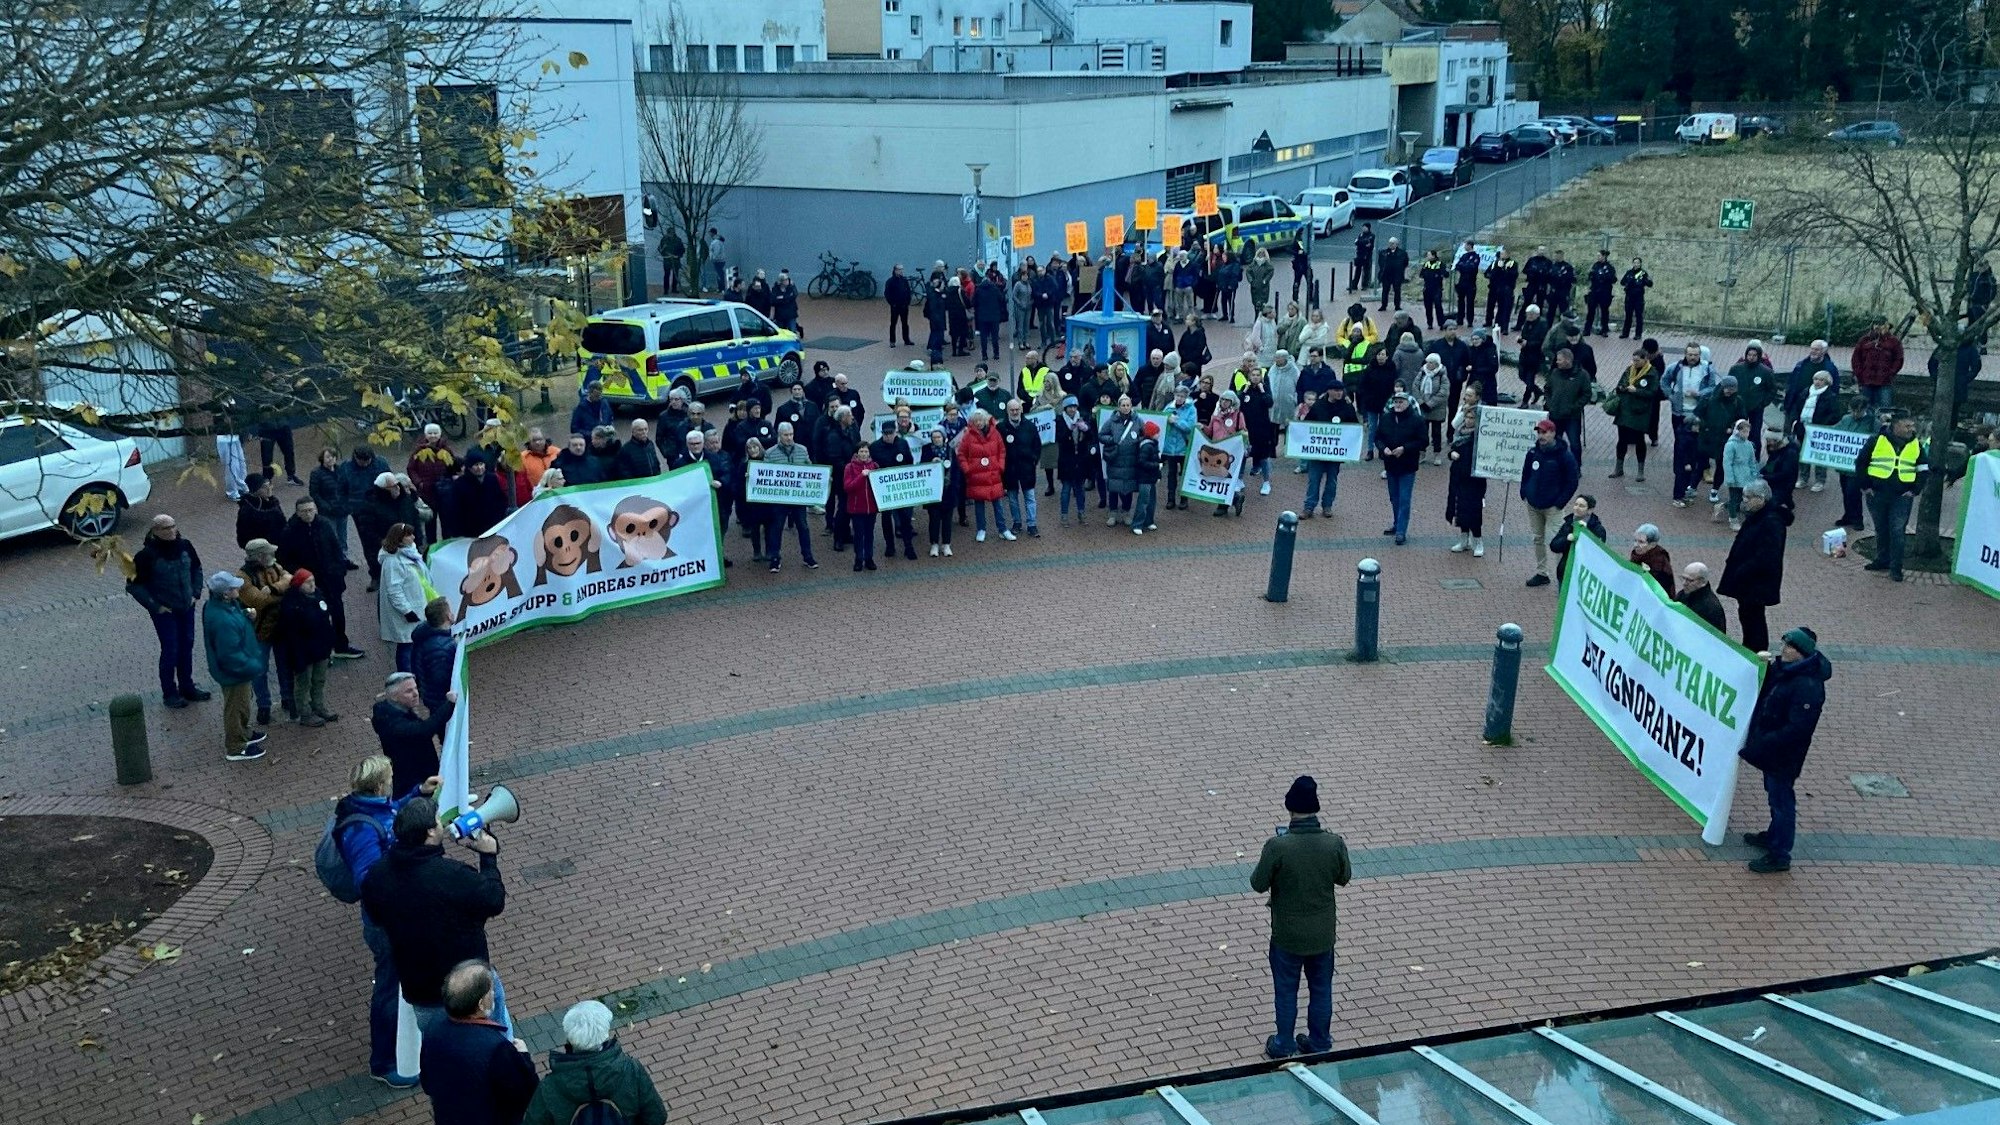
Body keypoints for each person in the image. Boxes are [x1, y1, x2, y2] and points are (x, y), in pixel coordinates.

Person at [360, 797, 509, 1038]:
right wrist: (488, 857)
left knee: (440, 1049)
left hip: (421, 990)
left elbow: (376, 918)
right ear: (430, 832)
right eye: (438, 821)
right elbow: (494, 900)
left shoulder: (377, 876)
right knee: (494, 1045)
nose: (442, 824)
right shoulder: (453, 875)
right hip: (470, 987)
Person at [332, 756, 439, 1087]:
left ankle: (401, 1049)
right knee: (390, 988)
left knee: (397, 983)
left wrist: (418, 793)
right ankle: (384, 1062)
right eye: (390, 777)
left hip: (394, 917)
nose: (393, 780)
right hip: (386, 923)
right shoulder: (360, 828)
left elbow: (392, 814)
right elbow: (369, 879)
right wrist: (402, 864)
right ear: (380, 784)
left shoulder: (369, 806)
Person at [1250, 775, 1351, 1059]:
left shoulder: (1278, 846)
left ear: (1290, 808)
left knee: (1286, 990)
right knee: (1321, 988)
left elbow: (1258, 883)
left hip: (1287, 935)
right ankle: (1319, 1040)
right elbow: (1344, 877)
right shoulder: (1333, 843)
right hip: (1322, 934)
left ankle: (1283, 1043)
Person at [1738, 628, 1832, 874]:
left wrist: (1765, 741)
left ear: (1801, 653)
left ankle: (1780, 853)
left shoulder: (1808, 686)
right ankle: (1773, 836)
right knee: (1774, 795)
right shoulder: (1788, 671)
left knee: (1782, 801)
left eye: (1789, 647)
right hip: (1773, 750)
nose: (1784, 649)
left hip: (1784, 754)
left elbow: (1798, 728)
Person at [523, 1000, 669, 1125]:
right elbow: (657, 1116)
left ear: (569, 1039)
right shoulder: (631, 1069)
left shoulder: (550, 1087)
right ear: (604, 1035)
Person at [279, 498, 363, 659]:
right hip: (309, 583)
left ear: (315, 509)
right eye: (304, 511)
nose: (308, 514)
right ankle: (322, 652)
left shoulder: (324, 525)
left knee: (338, 613)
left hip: (331, 580)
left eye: (311, 510)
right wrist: (301, 576)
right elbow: (285, 559)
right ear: (297, 513)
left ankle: (341, 645)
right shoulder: (290, 532)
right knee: (315, 618)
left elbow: (336, 549)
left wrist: (339, 571)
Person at [199, 570, 267, 761]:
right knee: (235, 708)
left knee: (242, 703)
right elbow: (230, 655)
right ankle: (236, 747)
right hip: (234, 672)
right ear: (225, 593)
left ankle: (243, 733)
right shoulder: (222, 621)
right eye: (233, 587)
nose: (238, 588)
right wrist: (253, 666)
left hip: (236, 670)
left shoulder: (221, 606)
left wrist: (244, 615)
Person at [1854, 412, 1928, 582]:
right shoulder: (1876, 440)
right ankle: (1882, 560)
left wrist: (1915, 490)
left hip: (1902, 496)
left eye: (1912, 426)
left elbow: (1923, 469)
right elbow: (1861, 463)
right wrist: (1865, 486)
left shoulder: (1916, 445)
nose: (1911, 429)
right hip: (1877, 493)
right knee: (1881, 528)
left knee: (1897, 531)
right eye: (1907, 426)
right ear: (1895, 426)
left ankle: (1896, 568)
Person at [1719, 480, 1789, 653]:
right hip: (1749, 581)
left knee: (1754, 620)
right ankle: (1750, 649)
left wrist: (1742, 571)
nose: (1744, 501)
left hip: (1756, 583)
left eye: (1748, 497)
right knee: (1748, 616)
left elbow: (1767, 556)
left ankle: (1756, 652)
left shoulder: (1771, 522)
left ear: (1761, 498)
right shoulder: (1758, 516)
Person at [234, 538, 293, 726]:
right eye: (269, 552)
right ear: (260, 556)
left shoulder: (274, 566)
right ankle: (264, 705)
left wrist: (273, 589)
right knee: (259, 670)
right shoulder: (243, 577)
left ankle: (287, 697)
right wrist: (281, 594)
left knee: (285, 665)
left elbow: (289, 579)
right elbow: (257, 600)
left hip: (281, 626)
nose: (273, 554)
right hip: (258, 630)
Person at [372, 671, 457, 796]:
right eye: (408, 691)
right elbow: (424, 731)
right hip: (412, 780)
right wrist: (449, 705)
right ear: (394, 697)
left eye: (415, 688)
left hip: (419, 773)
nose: (415, 694)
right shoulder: (391, 721)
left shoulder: (397, 710)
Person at [1519, 419, 1579, 587]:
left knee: (1557, 541)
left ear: (1553, 433)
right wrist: (1524, 491)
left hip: (1553, 507)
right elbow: (1526, 474)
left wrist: (1560, 502)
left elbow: (1572, 481)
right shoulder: (1533, 453)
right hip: (1533, 504)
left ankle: (1562, 575)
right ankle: (1542, 573)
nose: (1541, 436)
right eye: (1539, 432)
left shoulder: (1564, 456)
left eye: (1544, 432)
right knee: (1537, 538)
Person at [277, 567, 337, 727]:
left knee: (319, 680)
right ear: (299, 584)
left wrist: (330, 645)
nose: (312, 585)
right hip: (304, 651)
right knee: (304, 683)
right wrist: (297, 657)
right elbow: (291, 634)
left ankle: (318, 706)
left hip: (320, 647)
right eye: (308, 582)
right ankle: (305, 713)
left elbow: (327, 622)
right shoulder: (292, 604)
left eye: (313, 581)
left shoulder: (318, 596)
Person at [1665, 344, 1720, 506]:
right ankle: (1679, 482)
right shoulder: (1675, 367)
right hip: (1679, 413)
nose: (1692, 357)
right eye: (1690, 354)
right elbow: (1664, 381)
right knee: (1680, 448)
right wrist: (1672, 396)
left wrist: (1700, 394)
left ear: (1700, 355)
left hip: (1697, 414)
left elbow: (1713, 387)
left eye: (1695, 355)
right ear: (1685, 354)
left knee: (1696, 450)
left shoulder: (1707, 369)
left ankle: (1688, 483)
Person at [762, 422, 819, 573]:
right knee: (776, 528)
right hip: (779, 500)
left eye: (791, 434)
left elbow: (810, 469)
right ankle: (775, 558)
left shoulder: (802, 450)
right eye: (786, 435)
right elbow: (765, 474)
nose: (789, 438)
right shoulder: (770, 453)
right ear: (779, 435)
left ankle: (807, 556)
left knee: (803, 527)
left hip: (798, 498)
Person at [377, 523, 428, 672]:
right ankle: (406, 676)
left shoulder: (410, 552)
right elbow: (394, 590)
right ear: (399, 538)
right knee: (406, 645)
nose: (413, 537)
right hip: (405, 613)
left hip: (415, 605)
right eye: (408, 535)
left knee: (412, 643)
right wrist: (407, 611)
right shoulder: (393, 561)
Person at [1606, 348, 1663, 481]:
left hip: (1640, 412)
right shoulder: (1629, 370)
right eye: (1633, 360)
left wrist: (1636, 391)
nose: (1634, 363)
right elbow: (1620, 384)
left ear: (1645, 360)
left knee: (1639, 440)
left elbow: (1652, 392)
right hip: (1625, 410)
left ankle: (1640, 471)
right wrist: (1621, 388)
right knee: (1622, 440)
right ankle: (1618, 468)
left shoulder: (1651, 373)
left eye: (1637, 361)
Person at [1375, 390, 1424, 543]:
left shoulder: (1417, 420)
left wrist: (1404, 448)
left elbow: (1423, 441)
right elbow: (1378, 437)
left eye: (1401, 402)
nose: (1398, 404)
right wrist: (1383, 448)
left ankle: (1401, 531)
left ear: (1408, 403)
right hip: (1390, 465)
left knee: (1404, 499)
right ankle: (1397, 524)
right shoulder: (1386, 418)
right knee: (1394, 498)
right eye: (1395, 402)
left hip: (1408, 466)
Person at [1444, 386, 1485, 554]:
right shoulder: (1460, 434)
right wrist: (1451, 454)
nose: (1468, 420)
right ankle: (1463, 539)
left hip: (1474, 479)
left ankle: (1478, 541)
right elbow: (1452, 449)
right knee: (1459, 507)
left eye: (1471, 418)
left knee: (1473, 509)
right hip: (1458, 476)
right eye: (1467, 417)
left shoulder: (1480, 437)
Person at [1830, 395, 1875, 530]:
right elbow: (1833, 432)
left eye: (1859, 411)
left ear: (1865, 409)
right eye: (1853, 411)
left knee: (1853, 492)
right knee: (1846, 491)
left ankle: (1857, 518)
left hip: (1858, 465)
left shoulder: (1873, 422)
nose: (1855, 414)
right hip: (1844, 464)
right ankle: (1848, 515)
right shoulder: (1846, 419)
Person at [1543, 348, 1595, 457]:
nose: (1557, 362)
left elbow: (1587, 394)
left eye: (1559, 360)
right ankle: (1556, 464)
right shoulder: (1555, 373)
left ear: (1567, 360)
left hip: (1572, 417)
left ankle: (1576, 465)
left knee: (1574, 444)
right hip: (1555, 415)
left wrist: (1575, 407)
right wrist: (1550, 404)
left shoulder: (1582, 375)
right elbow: (1547, 389)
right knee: (1555, 442)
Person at [1851, 316, 1904, 412]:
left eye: (1881, 324)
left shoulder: (1894, 342)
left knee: (1884, 410)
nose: (1878, 327)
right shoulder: (1864, 340)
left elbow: (1898, 359)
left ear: (1887, 326)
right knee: (1865, 409)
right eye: (1876, 324)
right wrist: (1860, 374)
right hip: (1866, 381)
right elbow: (1856, 359)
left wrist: (1890, 373)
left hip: (1884, 382)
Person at [1548, 493, 1604, 584]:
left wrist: (1585, 534)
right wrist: (1567, 539)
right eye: (1576, 504)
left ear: (1590, 510)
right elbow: (1554, 546)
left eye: (1581, 506)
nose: (1577, 508)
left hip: (1585, 577)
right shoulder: (1568, 523)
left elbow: (1597, 553)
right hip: (1566, 572)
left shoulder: (1598, 529)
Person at [920, 426, 958, 557]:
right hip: (933, 491)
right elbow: (921, 468)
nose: (936, 439)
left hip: (948, 490)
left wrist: (955, 486)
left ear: (943, 438)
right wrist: (931, 462)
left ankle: (946, 544)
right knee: (934, 519)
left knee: (947, 519)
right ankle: (934, 544)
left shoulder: (950, 450)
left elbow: (956, 469)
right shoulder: (926, 450)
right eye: (934, 437)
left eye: (939, 437)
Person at [841, 444, 879, 571]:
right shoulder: (850, 467)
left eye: (866, 451)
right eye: (861, 451)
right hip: (857, 508)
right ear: (857, 453)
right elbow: (848, 487)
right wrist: (861, 476)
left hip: (871, 508)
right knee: (858, 535)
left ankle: (869, 558)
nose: (864, 454)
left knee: (869, 534)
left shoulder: (874, 466)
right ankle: (858, 559)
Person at [1717, 419, 1757, 528]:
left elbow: (1752, 461)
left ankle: (1723, 506)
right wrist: (1729, 478)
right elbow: (1727, 463)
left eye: (1748, 432)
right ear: (1737, 431)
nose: (1746, 434)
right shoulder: (1730, 445)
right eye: (1744, 431)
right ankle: (1733, 520)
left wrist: (1754, 474)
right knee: (1734, 499)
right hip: (1735, 476)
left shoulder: (1749, 445)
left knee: (1740, 498)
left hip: (1746, 476)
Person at [236, 472, 286, 548]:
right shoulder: (248, 508)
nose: (269, 489)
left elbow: (282, 523)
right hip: (259, 548)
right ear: (255, 490)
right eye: (264, 487)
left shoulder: (270, 502)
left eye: (269, 485)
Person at [1674, 562, 1727, 632]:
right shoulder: (1683, 594)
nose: (1684, 583)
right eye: (1683, 578)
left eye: (1689, 580)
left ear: (1702, 581)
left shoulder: (1711, 608)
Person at [1760, 427, 1801, 513]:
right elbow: (1770, 465)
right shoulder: (1774, 447)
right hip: (1776, 480)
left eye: (1769, 440)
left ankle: (1784, 501)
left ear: (1776, 440)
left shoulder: (1790, 453)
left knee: (1770, 504)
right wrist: (1761, 472)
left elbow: (1785, 474)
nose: (1767, 442)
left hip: (1785, 483)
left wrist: (1764, 477)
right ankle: (1788, 500)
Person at [1516, 304, 1549, 406]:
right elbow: (1524, 335)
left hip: (1535, 356)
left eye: (1531, 314)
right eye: (1528, 314)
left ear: (1537, 314)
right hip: (1525, 354)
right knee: (1522, 375)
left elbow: (1542, 341)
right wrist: (1520, 340)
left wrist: (1528, 343)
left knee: (1530, 378)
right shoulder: (1527, 323)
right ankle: (1537, 391)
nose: (1529, 316)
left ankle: (1525, 401)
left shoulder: (1542, 325)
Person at [1628, 523, 1673, 590]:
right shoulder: (1638, 554)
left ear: (1652, 545)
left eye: (1641, 542)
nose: (1636, 545)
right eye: (1635, 540)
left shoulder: (1659, 563)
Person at [1583, 250, 1616, 336]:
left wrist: (1605, 276)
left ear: (1604, 256)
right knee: (1591, 311)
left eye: (1599, 256)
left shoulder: (1609, 267)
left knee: (1604, 312)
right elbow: (1591, 277)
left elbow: (1613, 279)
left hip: (1605, 292)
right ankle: (1587, 330)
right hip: (1594, 291)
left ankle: (1604, 330)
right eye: (1597, 256)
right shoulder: (1595, 265)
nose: (1598, 257)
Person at [1484, 247, 1518, 331]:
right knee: (1490, 306)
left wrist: (1503, 268)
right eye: (1501, 254)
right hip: (1494, 288)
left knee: (1504, 308)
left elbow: (1512, 275)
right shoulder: (1495, 263)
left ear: (1508, 254)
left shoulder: (1512, 263)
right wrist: (1496, 270)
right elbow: (1488, 273)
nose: (1501, 255)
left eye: (1503, 254)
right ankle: (1489, 321)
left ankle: (1502, 326)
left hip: (1506, 289)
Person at [1618, 257, 1652, 338]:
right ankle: (1625, 333)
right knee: (1628, 316)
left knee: (1639, 317)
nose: (1636, 264)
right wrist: (1628, 282)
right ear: (1633, 263)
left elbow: (1650, 284)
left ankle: (1638, 334)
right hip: (1629, 297)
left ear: (1640, 264)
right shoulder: (1629, 272)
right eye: (1635, 263)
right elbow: (1622, 282)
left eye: (1638, 263)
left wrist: (1646, 281)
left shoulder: (1643, 273)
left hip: (1638, 298)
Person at [883, 263, 914, 347]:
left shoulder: (904, 280)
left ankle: (906, 340)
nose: (901, 271)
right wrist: (892, 303)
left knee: (905, 323)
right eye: (899, 269)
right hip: (895, 306)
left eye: (901, 269)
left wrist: (907, 302)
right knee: (893, 323)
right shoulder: (890, 281)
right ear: (895, 270)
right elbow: (887, 294)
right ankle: (892, 341)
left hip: (904, 306)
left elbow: (908, 291)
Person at [1453, 242, 1481, 327]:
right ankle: (1460, 319)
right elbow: (1458, 266)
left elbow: (1472, 268)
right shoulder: (1464, 256)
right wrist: (1465, 266)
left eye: (1466, 245)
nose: (1464, 247)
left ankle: (1470, 321)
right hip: (1462, 282)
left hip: (1471, 283)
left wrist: (1464, 266)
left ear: (1469, 246)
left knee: (1470, 302)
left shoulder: (1476, 256)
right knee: (1460, 301)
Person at [1350, 222, 1375, 293]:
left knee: (1366, 271)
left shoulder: (1371, 235)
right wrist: (1363, 243)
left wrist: (1361, 242)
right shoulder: (1360, 234)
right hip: (1359, 255)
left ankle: (1365, 285)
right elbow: (1356, 242)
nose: (1363, 228)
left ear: (1368, 228)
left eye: (1365, 227)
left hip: (1367, 255)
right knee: (1357, 270)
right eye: (1363, 227)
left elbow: (1368, 244)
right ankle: (1354, 285)